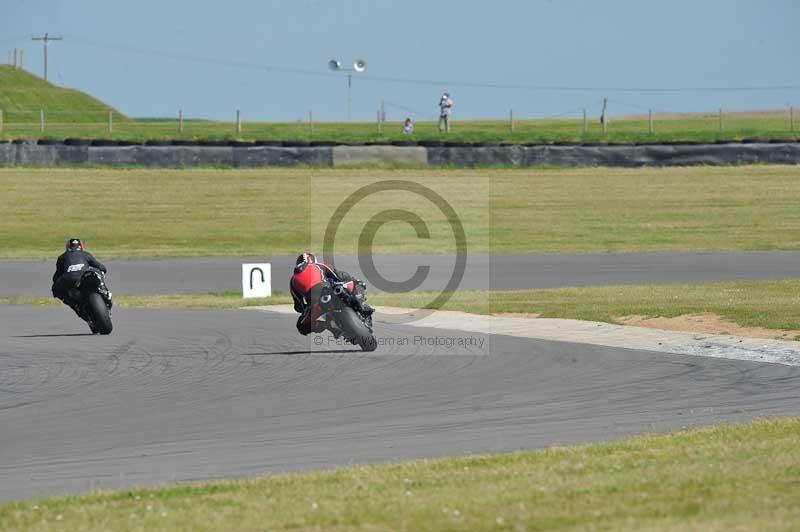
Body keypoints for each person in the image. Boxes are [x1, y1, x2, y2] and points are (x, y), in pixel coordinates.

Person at [290, 252, 374, 336]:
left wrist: (308, 307)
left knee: (301, 326)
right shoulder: (319, 265)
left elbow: (299, 307)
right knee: (357, 282)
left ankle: (329, 325)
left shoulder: (293, 281)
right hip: (330, 289)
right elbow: (337, 276)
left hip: (315, 303)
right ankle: (362, 305)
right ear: (313, 260)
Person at [52, 238, 108, 317]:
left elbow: (56, 276)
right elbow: (101, 267)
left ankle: (75, 306)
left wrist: (56, 286)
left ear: (68, 247)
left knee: (56, 289)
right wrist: (103, 270)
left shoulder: (62, 257)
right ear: (81, 246)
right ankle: (104, 291)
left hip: (69, 279)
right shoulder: (86, 254)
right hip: (85, 277)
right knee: (97, 273)